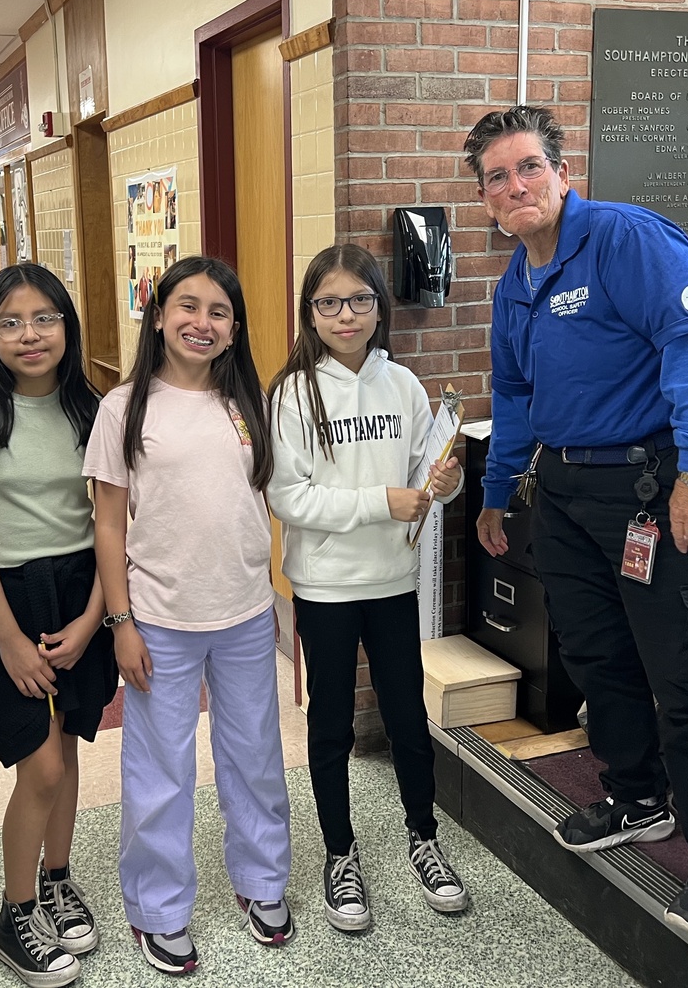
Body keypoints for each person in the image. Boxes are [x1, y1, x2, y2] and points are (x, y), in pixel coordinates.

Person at [468, 105, 688, 938]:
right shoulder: (514, 286)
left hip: (666, 481)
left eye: (529, 166)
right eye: (497, 176)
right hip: (567, 490)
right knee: (598, 653)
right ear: (485, 200)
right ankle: (638, 797)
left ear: (562, 174)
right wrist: (497, 492)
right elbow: (517, 397)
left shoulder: (627, 240)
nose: (516, 185)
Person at [83, 256, 292, 976]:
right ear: (160, 313)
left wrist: (273, 600)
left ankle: (262, 879)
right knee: (159, 770)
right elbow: (109, 525)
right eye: (187, 306)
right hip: (160, 621)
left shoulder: (247, 403)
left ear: (235, 330)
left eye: (219, 312)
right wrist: (121, 621)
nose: (202, 322)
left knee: (255, 754)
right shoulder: (124, 406)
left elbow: (256, 503)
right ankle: (159, 907)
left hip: (241, 612)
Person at [266, 243, 468, 934]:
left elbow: (426, 475)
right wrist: (383, 500)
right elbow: (288, 496)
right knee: (331, 723)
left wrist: (445, 482)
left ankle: (424, 837)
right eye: (328, 302)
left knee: (407, 715)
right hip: (323, 584)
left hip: (391, 579)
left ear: (380, 307)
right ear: (310, 312)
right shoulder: (292, 392)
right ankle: (340, 853)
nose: (345, 314)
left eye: (358, 300)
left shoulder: (404, 385)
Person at [0, 264, 115, 988]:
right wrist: (7, 636)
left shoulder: (92, 409)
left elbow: (113, 523)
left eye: (44, 318)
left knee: (67, 748)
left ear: (67, 325)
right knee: (36, 763)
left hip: (81, 591)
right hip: (9, 597)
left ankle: (56, 877)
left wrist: (95, 616)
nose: (29, 334)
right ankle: (14, 913)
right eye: (10, 322)